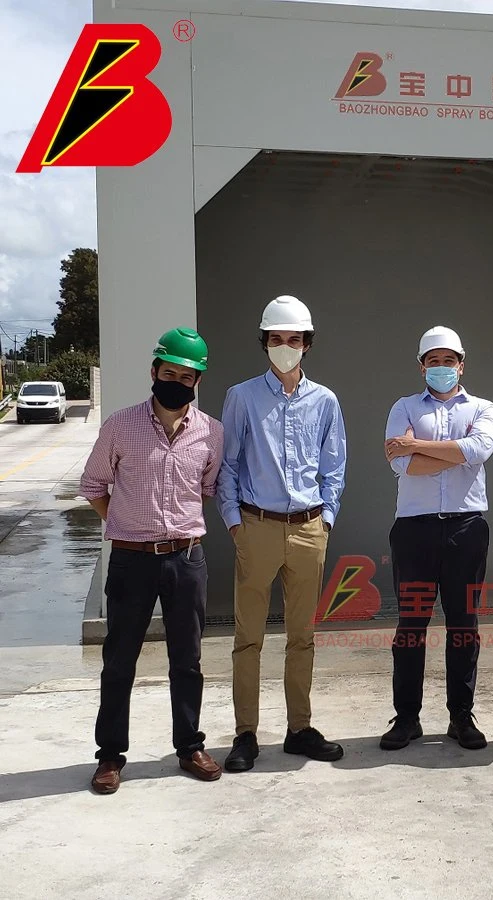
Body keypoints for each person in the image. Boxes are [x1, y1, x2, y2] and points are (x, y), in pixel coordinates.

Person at [80, 328, 224, 794]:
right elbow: (93, 486)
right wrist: (122, 524)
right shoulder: (120, 426)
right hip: (131, 560)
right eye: (169, 373)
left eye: (188, 376)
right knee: (119, 660)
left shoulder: (210, 431)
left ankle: (189, 746)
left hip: (186, 559)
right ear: (154, 372)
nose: (177, 383)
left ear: (197, 380)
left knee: (188, 659)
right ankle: (109, 756)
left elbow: (206, 488)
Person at [216, 295, 347, 772]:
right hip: (258, 526)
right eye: (277, 339)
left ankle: (299, 728)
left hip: (309, 528)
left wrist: (326, 520)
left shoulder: (324, 401)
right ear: (264, 343)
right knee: (248, 636)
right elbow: (227, 465)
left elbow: (334, 467)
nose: (285, 347)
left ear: (307, 345)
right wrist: (235, 522)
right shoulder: (242, 397)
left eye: (294, 339)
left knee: (302, 635)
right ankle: (246, 733)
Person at [380, 326, 493, 751]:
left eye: (449, 360)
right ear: (421, 366)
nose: (442, 367)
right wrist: (453, 452)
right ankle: (407, 718)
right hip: (414, 529)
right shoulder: (405, 406)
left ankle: (461, 717)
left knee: (463, 624)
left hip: (467, 528)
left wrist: (420, 445)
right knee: (411, 624)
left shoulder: (483, 407)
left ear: (462, 365)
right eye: (434, 360)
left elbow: (478, 451)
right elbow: (402, 464)